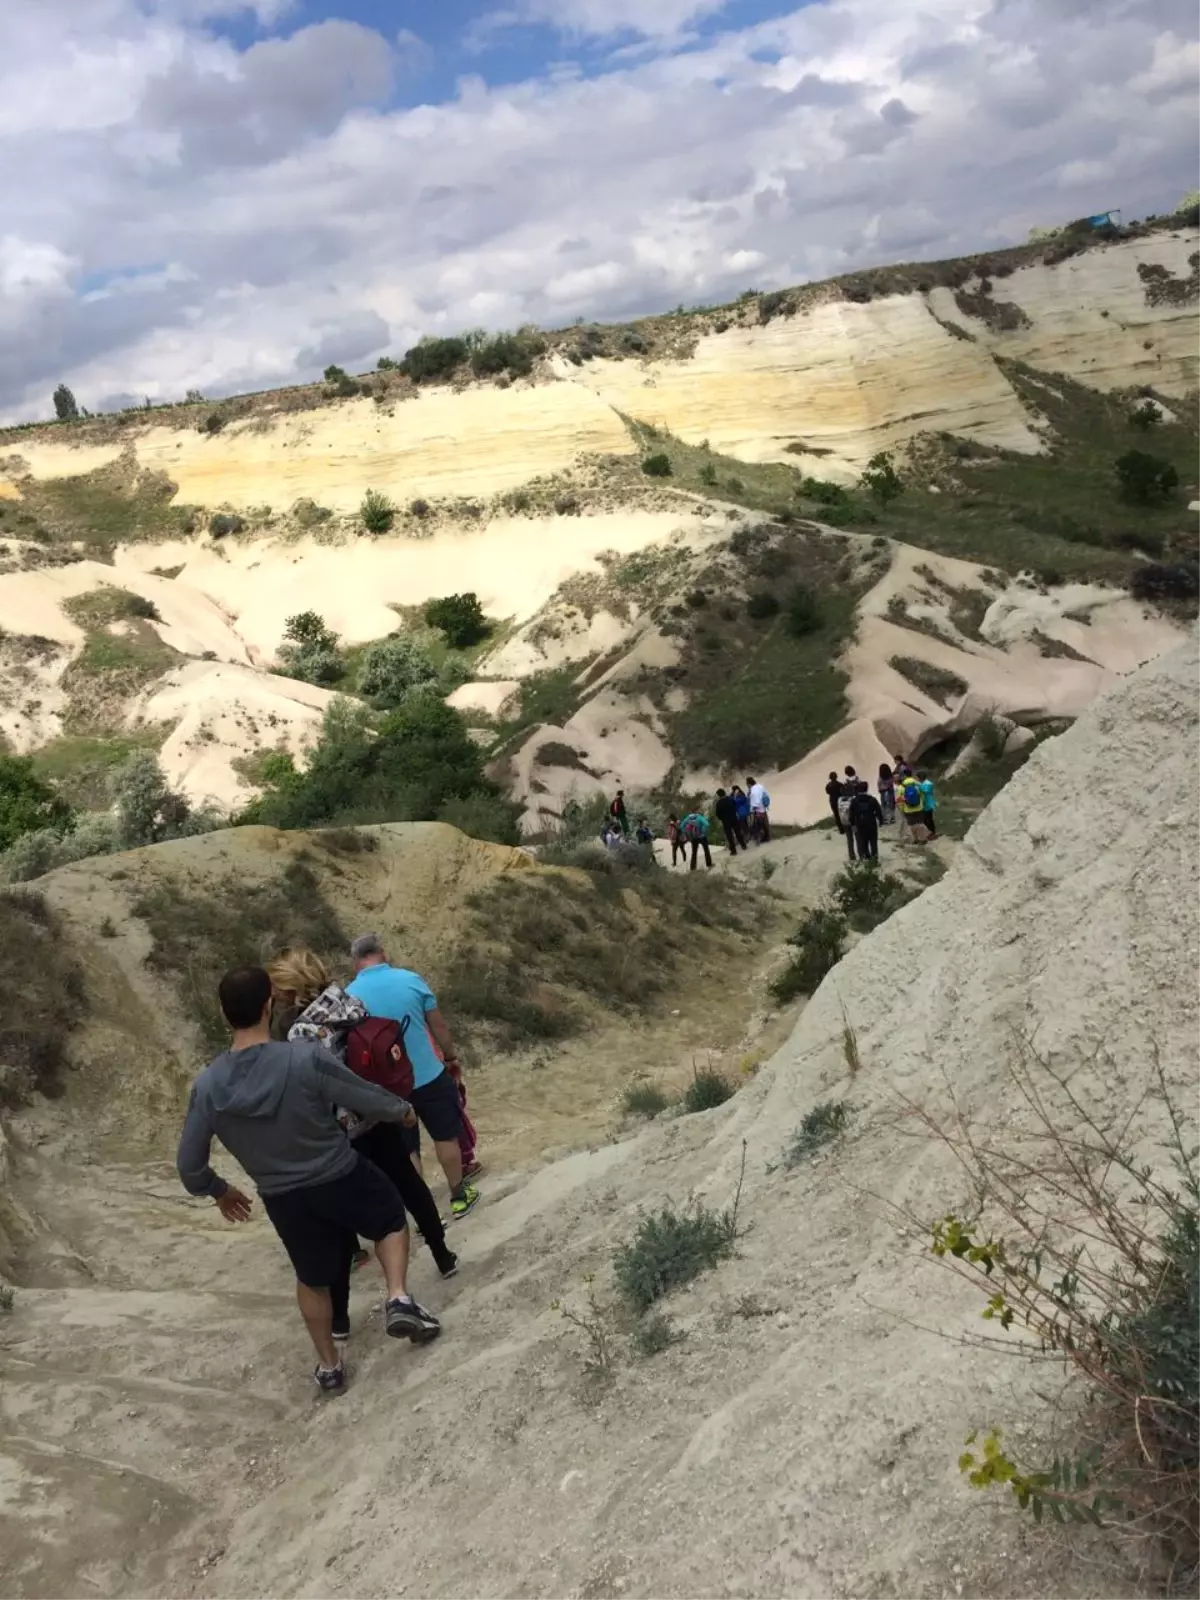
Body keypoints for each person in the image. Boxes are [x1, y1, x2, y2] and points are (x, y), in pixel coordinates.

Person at [176, 966, 441, 1396]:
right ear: (269, 1004)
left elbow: (189, 1166)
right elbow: (360, 1094)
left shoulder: (207, 1087)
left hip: (283, 1196)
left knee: (312, 1277)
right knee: (391, 1218)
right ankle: (397, 1297)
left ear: (225, 1015)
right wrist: (402, 1111)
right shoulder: (302, 1057)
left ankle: (330, 1366)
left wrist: (219, 1191)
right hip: (337, 1170)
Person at [267, 949, 460, 1337]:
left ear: (288, 990)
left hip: (340, 1132)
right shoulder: (348, 1002)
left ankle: (339, 1317)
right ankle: (442, 1254)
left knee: (340, 1223)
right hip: (378, 1113)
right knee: (408, 1184)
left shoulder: (300, 1033)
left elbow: (314, 1083)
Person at [347, 935, 480, 1219]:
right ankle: (458, 1197)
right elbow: (438, 1025)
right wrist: (451, 1057)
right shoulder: (411, 979)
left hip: (388, 1088)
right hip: (429, 1074)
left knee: (408, 1150)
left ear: (355, 962)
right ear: (383, 953)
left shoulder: (349, 996)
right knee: (445, 1136)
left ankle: (425, 1213)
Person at [848, 782, 883, 862]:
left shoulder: (854, 801)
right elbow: (879, 811)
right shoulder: (872, 799)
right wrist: (880, 821)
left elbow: (851, 814)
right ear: (867, 789)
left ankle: (867, 856)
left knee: (863, 841)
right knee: (873, 842)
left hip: (860, 824)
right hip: (871, 823)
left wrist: (853, 825)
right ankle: (874, 858)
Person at [898, 769, 927, 841]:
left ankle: (915, 839)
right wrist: (922, 803)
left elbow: (900, 800)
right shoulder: (918, 784)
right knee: (920, 823)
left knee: (912, 824)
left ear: (904, 776)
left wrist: (902, 809)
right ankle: (922, 839)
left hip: (908, 809)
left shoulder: (901, 787)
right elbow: (923, 795)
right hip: (919, 807)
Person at [713, 788, 741, 855]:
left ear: (719, 795)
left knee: (729, 836)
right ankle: (743, 845)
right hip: (734, 818)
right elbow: (735, 806)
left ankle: (733, 851)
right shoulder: (730, 799)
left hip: (726, 821)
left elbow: (717, 814)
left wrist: (722, 818)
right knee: (738, 832)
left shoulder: (719, 803)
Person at [746, 777, 772, 844]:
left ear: (749, 784)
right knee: (764, 824)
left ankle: (759, 839)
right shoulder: (760, 786)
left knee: (758, 825)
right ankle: (767, 837)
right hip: (763, 808)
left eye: (747, 784)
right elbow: (766, 795)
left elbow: (754, 801)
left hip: (757, 810)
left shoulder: (753, 790)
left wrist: (752, 809)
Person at [836, 783, 858, 860]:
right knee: (858, 838)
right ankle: (861, 853)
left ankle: (852, 856)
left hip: (844, 822)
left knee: (849, 840)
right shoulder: (853, 799)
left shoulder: (839, 800)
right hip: (853, 823)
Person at [918, 771, 938, 839]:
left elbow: (925, 791)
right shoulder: (924, 783)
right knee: (926, 819)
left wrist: (919, 786)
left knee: (928, 819)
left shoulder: (928, 784)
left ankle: (932, 833)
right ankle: (930, 833)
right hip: (925, 803)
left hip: (928, 804)